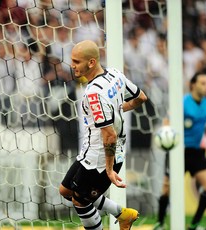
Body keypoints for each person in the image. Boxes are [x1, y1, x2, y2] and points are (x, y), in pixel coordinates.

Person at [59, 40, 147, 230]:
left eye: (76, 61)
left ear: (91, 62)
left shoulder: (94, 94)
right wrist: (118, 109)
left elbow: (110, 136)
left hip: (99, 157)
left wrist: (108, 169)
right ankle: (122, 214)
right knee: (65, 190)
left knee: (80, 200)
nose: (72, 65)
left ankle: (120, 216)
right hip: (90, 151)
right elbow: (141, 98)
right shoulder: (115, 75)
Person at [153, 72, 206, 230]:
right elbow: (166, 121)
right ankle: (161, 223)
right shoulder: (182, 103)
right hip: (178, 151)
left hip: (196, 152)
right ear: (193, 85)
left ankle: (194, 224)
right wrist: (166, 135)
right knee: (167, 188)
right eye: (203, 83)